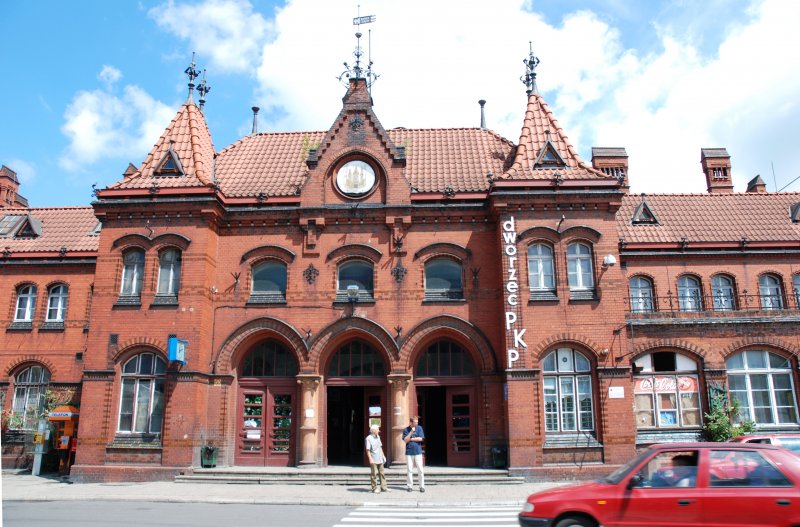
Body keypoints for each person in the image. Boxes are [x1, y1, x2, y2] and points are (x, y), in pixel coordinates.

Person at [402, 416, 425, 492]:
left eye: (417, 422)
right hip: (409, 452)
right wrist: (411, 432)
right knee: (409, 470)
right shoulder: (406, 429)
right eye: (415, 422)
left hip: (418, 452)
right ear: (411, 423)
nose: (417, 423)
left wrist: (411, 439)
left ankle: (421, 486)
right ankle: (409, 486)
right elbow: (405, 440)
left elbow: (421, 439)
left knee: (420, 469)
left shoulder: (419, 428)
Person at [365, 424, 388, 493]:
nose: (379, 431)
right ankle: (374, 488)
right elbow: (368, 450)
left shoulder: (378, 437)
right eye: (377, 429)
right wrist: (370, 459)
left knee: (382, 473)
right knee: (374, 474)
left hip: (380, 458)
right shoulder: (368, 438)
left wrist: (383, 456)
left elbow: (380, 447)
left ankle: (384, 487)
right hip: (374, 458)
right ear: (373, 430)